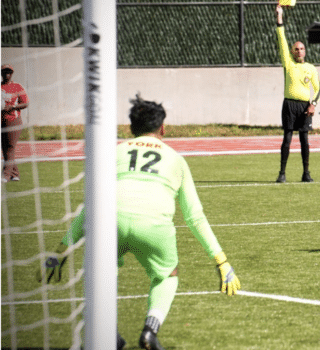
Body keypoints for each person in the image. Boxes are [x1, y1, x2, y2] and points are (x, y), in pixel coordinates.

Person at [37, 94, 241, 350]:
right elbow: (194, 216)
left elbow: (91, 207)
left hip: (111, 221)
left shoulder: (113, 153)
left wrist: (62, 249)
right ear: (163, 128)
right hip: (154, 225)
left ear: (131, 129)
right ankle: (150, 330)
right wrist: (220, 260)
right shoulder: (176, 159)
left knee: (102, 273)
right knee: (167, 275)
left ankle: (107, 330)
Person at [275, 4, 320, 183]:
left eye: (302, 49)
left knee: (304, 140)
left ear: (305, 51)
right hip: (289, 105)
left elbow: (318, 89)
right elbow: (281, 38)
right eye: (296, 49)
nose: (299, 51)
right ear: (292, 52)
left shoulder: (311, 68)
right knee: (287, 139)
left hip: (304, 107)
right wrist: (280, 17)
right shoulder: (288, 63)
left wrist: (313, 104)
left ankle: (306, 173)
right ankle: (282, 173)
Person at [2, 64, 29, 183]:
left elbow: (25, 103)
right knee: (5, 148)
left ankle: (6, 175)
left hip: (14, 120)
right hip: (2, 121)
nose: (7, 73)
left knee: (10, 148)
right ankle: (15, 174)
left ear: (12, 73)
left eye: (9, 71)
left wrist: (13, 107)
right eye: (4, 71)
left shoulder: (17, 87)